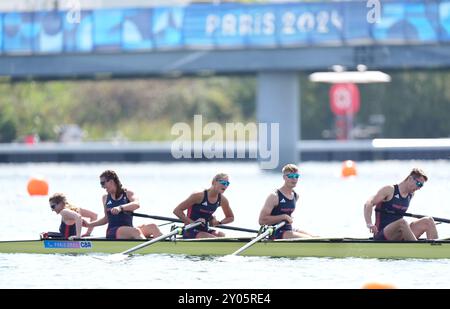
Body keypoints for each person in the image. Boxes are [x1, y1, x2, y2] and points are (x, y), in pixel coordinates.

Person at [364, 168, 437, 241]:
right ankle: (416, 247)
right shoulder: (389, 190)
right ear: (410, 179)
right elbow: (369, 203)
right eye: (418, 184)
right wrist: (369, 223)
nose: (418, 188)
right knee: (402, 222)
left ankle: (436, 248)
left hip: (398, 233)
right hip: (382, 235)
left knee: (429, 220)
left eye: (421, 186)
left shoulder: (411, 194)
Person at [86, 170, 162, 239]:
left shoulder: (128, 193)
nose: (102, 187)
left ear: (111, 181)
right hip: (113, 232)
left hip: (130, 229)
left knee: (153, 227)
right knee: (135, 232)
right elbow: (106, 219)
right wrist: (89, 224)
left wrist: (120, 208)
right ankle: (147, 252)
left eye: (103, 183)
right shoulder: (105, 198)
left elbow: (136, 204)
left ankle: (165, 249)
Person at [258, 163, 315, 239]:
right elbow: (261, 220)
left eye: (296, 176)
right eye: (291, 176)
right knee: (308, 239)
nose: (294, 179)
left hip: (288, 229)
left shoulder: (295, 196)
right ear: (284, 177)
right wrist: (284, 217)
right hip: (275, 232)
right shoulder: (274, 196)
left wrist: (287, 217)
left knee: (315, 237)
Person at [173, 173, 234, 239]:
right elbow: (177, 211)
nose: (225, 186)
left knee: (221, 235)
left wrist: (219, 222)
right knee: (212, 238)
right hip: (190, 230)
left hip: (204, 229)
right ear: (214, 182)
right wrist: (193, 223)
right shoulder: (198, 195)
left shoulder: (222, 199)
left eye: (227, 184)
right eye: (223, 182)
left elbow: (230, 217)